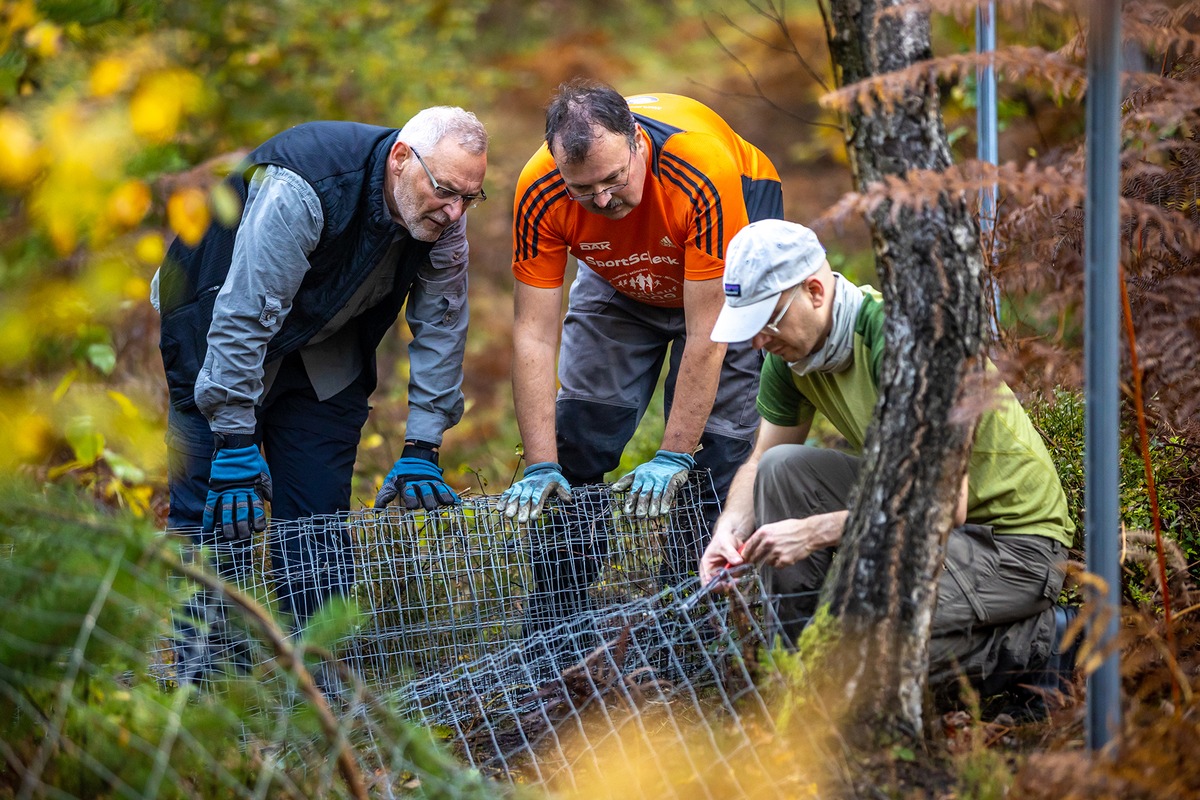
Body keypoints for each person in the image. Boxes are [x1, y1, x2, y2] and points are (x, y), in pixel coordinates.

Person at [153, 108, 488, 676]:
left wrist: (422, 448)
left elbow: (443, 327)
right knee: (214, 516)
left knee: (316, 525)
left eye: (469, 198)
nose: (455, 211)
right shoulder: (304, 187)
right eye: (445, 191)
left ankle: (318, 692)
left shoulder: (442, 221)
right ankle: (203, 691)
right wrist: (234, 442)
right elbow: (243, 317)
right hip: (213, 327)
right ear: (402, 159)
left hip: (322, 348)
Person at [699, 218, 1078, 700]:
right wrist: (729, 529)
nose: (758, 342)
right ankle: (800, 680)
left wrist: (813, 531)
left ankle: (1047, 644)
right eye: (748, 328)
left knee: (861, 647)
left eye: (766, 322)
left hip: (1012, 546)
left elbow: (945, 504)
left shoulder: (907, 341)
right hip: (926, 522)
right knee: (781, 470)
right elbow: (758, 463)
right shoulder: (789, 356)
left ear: (815, 291)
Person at [497, 79, 783, 526]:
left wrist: (673, 454)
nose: (604, 199)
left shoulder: (701, 167)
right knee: (580, 431)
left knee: (715, 447)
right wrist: (540, 465)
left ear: (636, 140)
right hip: (620, 265)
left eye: (614, 179)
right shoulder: (540, 188)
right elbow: (532, 333)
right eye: (583, 190)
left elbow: (710, 329)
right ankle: (562, 595)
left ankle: (691, 591)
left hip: (725, 244)